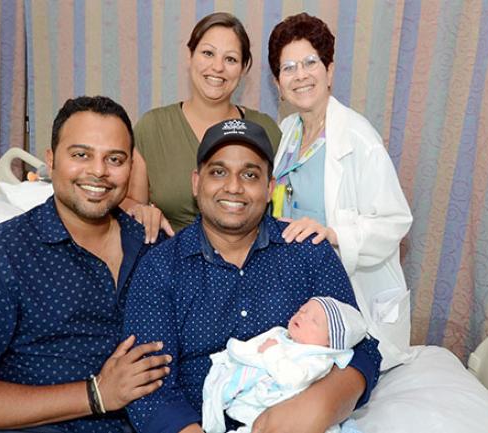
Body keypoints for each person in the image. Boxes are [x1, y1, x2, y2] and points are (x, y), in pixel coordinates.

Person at [0, 96, 171, 433]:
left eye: (115, 159)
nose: (98, 171)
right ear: (51, 161)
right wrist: (96, 394)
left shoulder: (154, 246)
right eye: (81, 155)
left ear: (130, 169)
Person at [123, 119, 381, 433]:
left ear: (269, 187)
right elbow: (149, 389)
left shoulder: (308, 251)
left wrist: (321, 404)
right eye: (218, 172)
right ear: (195, 182)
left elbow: (362, 349)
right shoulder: (160, 268)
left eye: (250, 175)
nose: (234, 186)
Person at [267, 13, 413, 370]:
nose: (300, 74)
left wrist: (335, 234)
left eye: (310, 63)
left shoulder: (358, 139)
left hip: (347, 291)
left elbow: (396, 221)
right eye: (288, 67)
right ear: (278, 83)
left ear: (329, 71)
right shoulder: (288, 131)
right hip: (301, 288)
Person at [122, 12, 281, 240]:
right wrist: (141, 211)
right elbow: (131, 201)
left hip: (249, 265)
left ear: (244, 68)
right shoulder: (152, 127)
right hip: (173, 264)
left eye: (231, 59)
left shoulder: (265, 129)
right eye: (208, 53)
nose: (217, 67)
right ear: (190, 56)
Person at [202, 296, 368, 433]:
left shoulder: (318, 359)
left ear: (329, 342)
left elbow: (293, 378)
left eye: (314, 320)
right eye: (302, 310)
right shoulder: (283, 337)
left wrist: (271, 352)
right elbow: (252, 352)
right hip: (258, 407)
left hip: (287, 411)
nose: (302, 315)